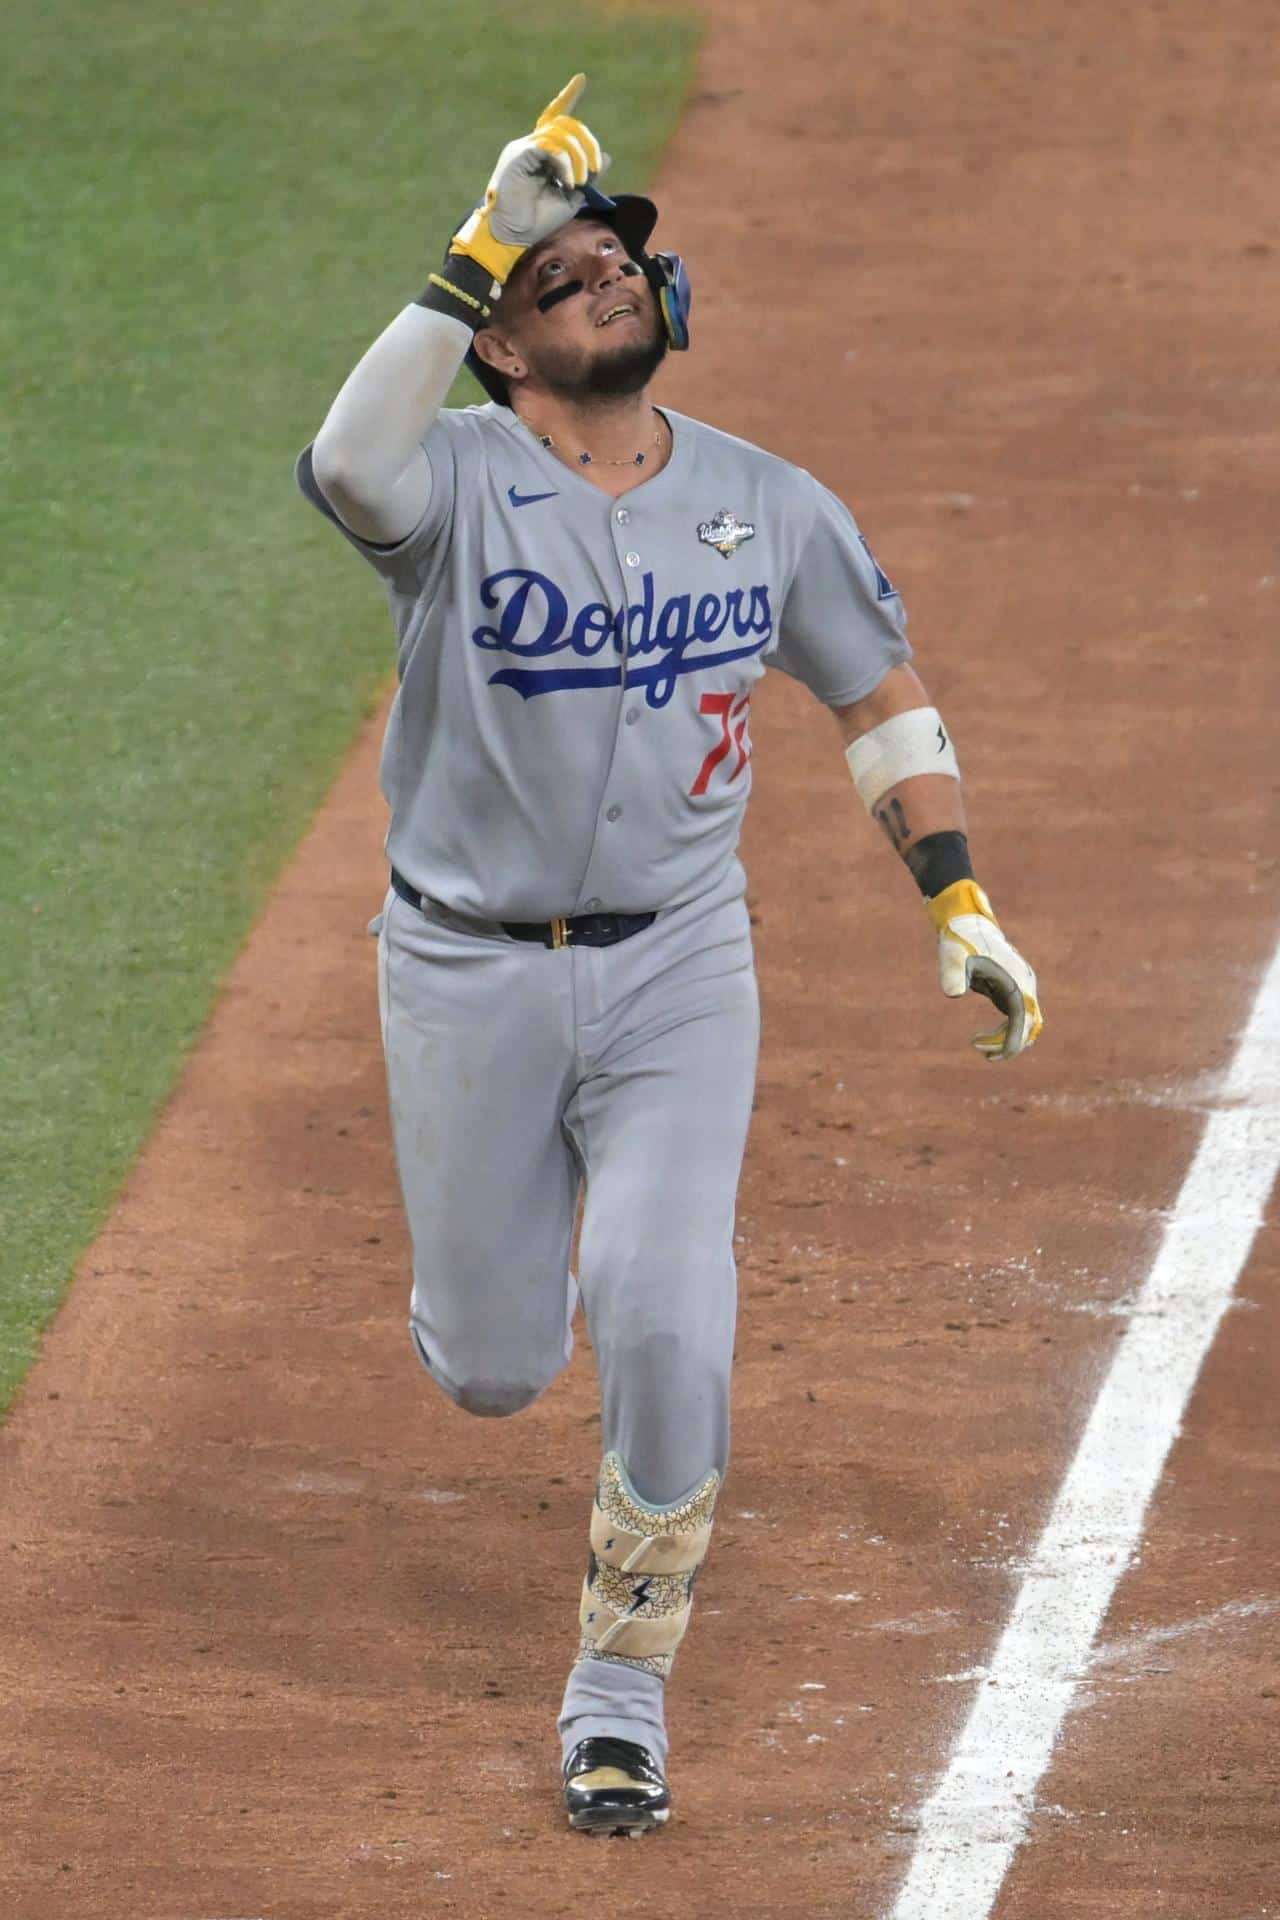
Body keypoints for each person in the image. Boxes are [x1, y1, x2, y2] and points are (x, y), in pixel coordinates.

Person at [296, 75, 1042, 1838]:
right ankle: (495, 1278)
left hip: (680, 966)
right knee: (492, 1363)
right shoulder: (454, 486)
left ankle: (618, 1689)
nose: (595, 283)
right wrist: (477, 237)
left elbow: (877, 692)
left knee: (664, 1295)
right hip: (464, 966)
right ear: (501, 347)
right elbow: (343, 461)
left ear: (667, 296)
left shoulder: (767, 504)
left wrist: (954, 896)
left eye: (612, 263)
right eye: (550, 284)